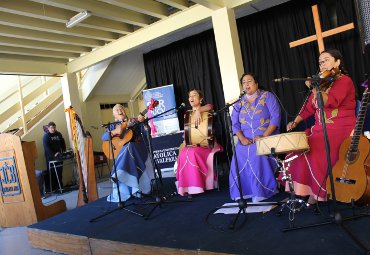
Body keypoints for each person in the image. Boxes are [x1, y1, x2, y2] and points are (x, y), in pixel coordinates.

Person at [285, 49, 356, 205]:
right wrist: (295, 122)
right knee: (297, 148)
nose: (322, 64)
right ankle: (312, 191)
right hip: (320, 129)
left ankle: (320, 193)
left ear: (337, 62)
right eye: (320, 62)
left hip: (341, 129)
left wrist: (315, 86)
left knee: (314, 150)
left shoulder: (344, 81)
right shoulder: (323, 83)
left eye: (326, 60)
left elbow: (328, 101)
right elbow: (309, 107)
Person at [229, 73, 281, 202]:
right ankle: (244, 192)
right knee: (239, 154)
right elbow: (234, 124)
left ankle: (262, 191)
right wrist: (241, 138)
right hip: (245, 139)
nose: (246, 84)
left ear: (256, 83)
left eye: (249, 81)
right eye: (244, 82)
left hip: (266, 136)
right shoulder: (238, 103)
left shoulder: (267, 96)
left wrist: (264, 136)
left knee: (255, 153)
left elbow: (275, 118)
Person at [101, 104, 153, 202]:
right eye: (117, 110)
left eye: (121, 108)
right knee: (128, 147)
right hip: (123, 153)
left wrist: (144, 123)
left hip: (138, 149)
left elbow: (147, 134)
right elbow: (103, 137)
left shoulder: (134, 121)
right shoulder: (112, 126)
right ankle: (124, 180)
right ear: (114, 115)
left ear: (125, 111)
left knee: (130, 146)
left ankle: (118, 174)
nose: (120, 110)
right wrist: (115, 131)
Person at [176, 89, 222, 196]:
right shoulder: (187, 115)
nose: (191, 97)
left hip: (206, 145)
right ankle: (188, 187)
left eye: (194, 95)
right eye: (190, 96)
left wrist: (198, 111)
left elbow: (210, 106)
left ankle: (198, 186)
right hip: (191, 144)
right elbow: (187, 134)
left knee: (192, 153)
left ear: (200, 99)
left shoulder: (207, 109)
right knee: (184, 153)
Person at [43, 121, 66, 192]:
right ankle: (53, 188)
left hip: (59, 156)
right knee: (52, 172)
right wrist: (53, 154)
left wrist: (63, 151)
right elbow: (46, 147)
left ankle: (60, 186)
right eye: (52, 128)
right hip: (50, 157)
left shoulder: (58, 134)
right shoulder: (46, 136)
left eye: (54, 127)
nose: (53, 129)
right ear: (48, 128)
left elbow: (62, 142)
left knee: (59, 171)